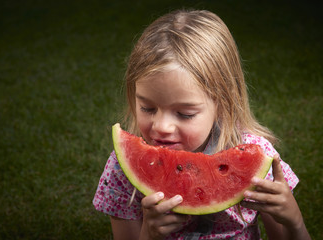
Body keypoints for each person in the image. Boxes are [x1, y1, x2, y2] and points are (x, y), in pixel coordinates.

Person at [93, 9, 310, 240]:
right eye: (147, 108)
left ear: (222, 103)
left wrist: (294, 221)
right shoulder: (121, 169)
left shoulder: (260, 159)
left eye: (185, 114)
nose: (162, 126)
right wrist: (149, 233)